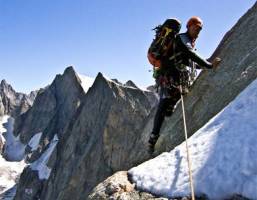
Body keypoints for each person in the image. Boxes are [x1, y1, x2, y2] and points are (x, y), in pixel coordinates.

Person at [148, 16, 221, 153]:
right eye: (195, 28)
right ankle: (153, 137)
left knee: (170, 99)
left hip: (172, 74)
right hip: (167, 74)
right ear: (188, 27)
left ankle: (169, 109)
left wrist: (203, 66)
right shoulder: (183, 39)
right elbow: (190, 55)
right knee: (163, 104)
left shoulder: (186, 41)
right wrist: (209, 65)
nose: (198, 31)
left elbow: (189, 61)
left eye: (200, 29)